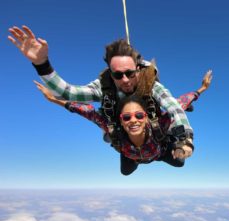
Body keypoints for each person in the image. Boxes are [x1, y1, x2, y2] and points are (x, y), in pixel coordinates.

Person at [8, 25, 194, 153]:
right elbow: (69, 93)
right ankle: (127, 153)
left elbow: (174, 107)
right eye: (118, 75)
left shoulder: (151, 84)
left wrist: (185, 140)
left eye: (130, 73)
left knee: (174, 156)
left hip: (153, 133)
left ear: (138, 70)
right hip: (124, 136)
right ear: (110, 74)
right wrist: (42, 64)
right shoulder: (104, 86)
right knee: (121, 154)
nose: (125, 79)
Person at [34, 66, 212, 175]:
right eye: (127, 117)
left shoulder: (158, 123)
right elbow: (83, 109)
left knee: (179, 162)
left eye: (139, 115)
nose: (133, 121)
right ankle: (136, 158)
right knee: (125, 172)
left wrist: (201, 89)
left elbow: (180, 103)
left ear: (146, 117)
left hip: (160, 151)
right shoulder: (114, 129)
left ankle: (168, 143)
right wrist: (54, 99)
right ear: (121, 119)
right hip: (132, 155)